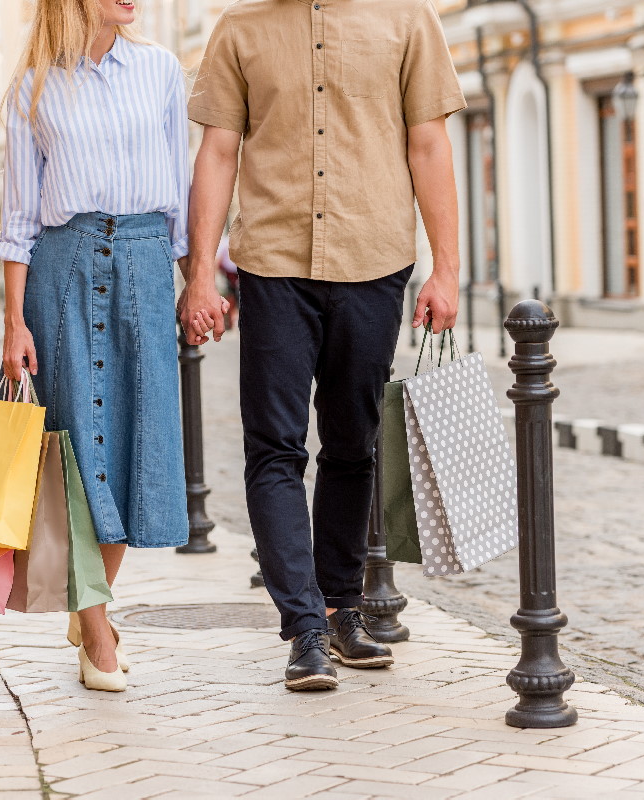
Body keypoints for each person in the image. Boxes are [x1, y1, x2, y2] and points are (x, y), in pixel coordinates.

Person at [180, 0, 466, 691]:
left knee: (352, 445)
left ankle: (342, 609)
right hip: (273, 265)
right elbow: (219, 152)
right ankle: (302, 628)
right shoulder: (239, 30)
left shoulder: (407, 21)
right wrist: (198, 274)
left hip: (375, 260)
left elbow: (427, 143)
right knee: (275, 447)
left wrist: (447, 267)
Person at [0, 0, 205, 693]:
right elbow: (20, 216)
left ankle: (91, 601)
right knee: (79, 453)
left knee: (135, 447)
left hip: (145, 263)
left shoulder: (161, 71)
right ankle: (95, 634)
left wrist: (194, 280)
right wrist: (14, 322)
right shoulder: (33, 87)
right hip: (65, 264)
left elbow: (177, 187)